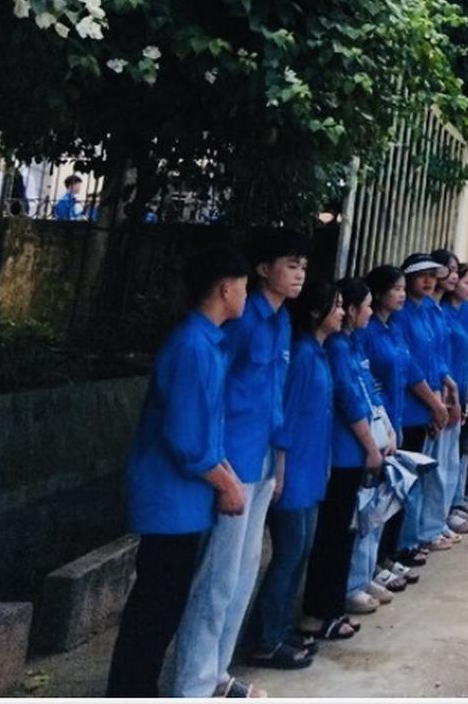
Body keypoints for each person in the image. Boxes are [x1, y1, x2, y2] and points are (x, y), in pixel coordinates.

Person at [105, 246, 249, 698]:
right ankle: (130, 691)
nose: (246, 295)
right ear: (225, 289)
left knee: (163, 604)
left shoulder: (207, 343)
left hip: (183, 501)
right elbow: (185, 437)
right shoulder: (192, 346)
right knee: (155, 606)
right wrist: (225, 482)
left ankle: (136, 688)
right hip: (170, 499)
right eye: (244, 286)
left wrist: (224, 470)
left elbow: (205, 428)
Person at [172, 229, 308, 699]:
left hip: (263, 459)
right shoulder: (241, 319)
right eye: (291, 265)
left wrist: (280, 462)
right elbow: (212, 392)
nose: (300, 275)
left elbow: (277, 395)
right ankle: (192, 683)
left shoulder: (282, 320)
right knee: (217, 577)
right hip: (232, 462)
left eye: (303, 267)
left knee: (244, 573)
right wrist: (219, 466)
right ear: (264, 270)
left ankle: (219, 674)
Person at [247, 278, 342, 667]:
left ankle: (281, 628)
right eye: (337, 305)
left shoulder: (318, 352)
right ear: (318, 312)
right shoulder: (302, 354)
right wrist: (281, 471)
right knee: (288, 554)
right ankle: (265, 639)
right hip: (294, 470)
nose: (342, 313)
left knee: (300, 552)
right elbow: (285, 416)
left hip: (312, 468)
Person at [305, 276, 397, 642]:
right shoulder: (337, 348)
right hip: (345, 454)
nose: (369, 312)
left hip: (358, 451)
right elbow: (348, 399)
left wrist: (384, 432)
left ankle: (333, 605)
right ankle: (321, 610)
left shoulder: (352, 344)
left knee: (346, 532)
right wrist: (371, 446)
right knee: (334, 535)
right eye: (365, 306)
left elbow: (368, 393)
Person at [360, 265, 420, 585]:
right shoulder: (367, 331)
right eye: (395, 289)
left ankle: (385, 557)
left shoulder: (394, 328)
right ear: (379, 293)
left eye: (403, 289)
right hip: (376, 427)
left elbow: (408, 371)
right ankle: (367, 571)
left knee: (392, 496)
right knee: (372, 503)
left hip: (395, 422)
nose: (402, 295)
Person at [392, 254, 453, 562]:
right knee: (407, 481)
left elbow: (434, 358)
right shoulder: (402, 315)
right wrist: (434, 403)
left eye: (432, 274)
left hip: (429, 404)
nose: (429, 280)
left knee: (421, 477)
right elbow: (410, 367)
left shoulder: (427, 310)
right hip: (411, 408)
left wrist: (442, 394)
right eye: (421, 275)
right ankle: (403, 545)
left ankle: (412, 538)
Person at [439, 259, 468, 532]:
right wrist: (452, 395)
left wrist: (466, 392)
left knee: (453, 458)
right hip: (444, 399)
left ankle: (447, 512)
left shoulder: (461, 313)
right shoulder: (443, 314)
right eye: (467, 282)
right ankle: (438, 520)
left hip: (460, 395)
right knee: (442, 462)